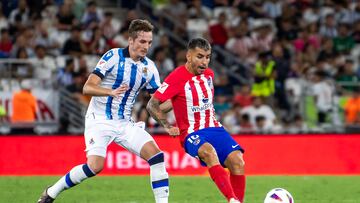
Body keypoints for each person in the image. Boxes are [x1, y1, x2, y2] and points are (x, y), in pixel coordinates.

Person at [38, 19, 170, 203]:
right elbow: (87, 87)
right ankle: (51, 192)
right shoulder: (112, 57)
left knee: (157, 157)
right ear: (130, 40)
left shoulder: (149, 68)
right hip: (99, 120)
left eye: (149, 42)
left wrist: (178, 101)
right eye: (142, 41)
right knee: (94, 167)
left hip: (125, 123)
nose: (146, 46)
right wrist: (110, 92)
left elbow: (157, 103)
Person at [147, 38, 245, 203]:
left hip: (214, 127)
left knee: (238, 162)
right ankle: (232, 200)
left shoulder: (209, 75)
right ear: (189, 56)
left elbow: (184, 99)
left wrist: (176, 103)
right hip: (191, 132)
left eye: (207, 57)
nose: (205, 61)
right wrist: (167, 125)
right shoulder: (176, 77)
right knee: (209, 153)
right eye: (200, 56)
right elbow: (152, 105)